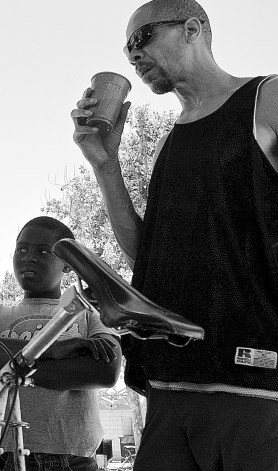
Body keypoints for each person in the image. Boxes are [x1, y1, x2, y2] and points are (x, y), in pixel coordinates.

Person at [71, 1, 278, 469]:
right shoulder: (170, 140)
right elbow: (150, 258)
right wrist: (105, 165)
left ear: (192, 28)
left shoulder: (267, 99)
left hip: (258, 389)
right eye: (126, 52)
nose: (133, 57)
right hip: (169, 391)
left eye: (140, 40)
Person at [0, 216, 120, 471]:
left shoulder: (88, 314)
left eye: (43, 251)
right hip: (0, 456)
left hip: (72, 459)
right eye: (21, 249)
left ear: (67, 265)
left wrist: (9, 367)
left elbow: (104, 372)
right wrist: (53, 350)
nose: (29, 257)